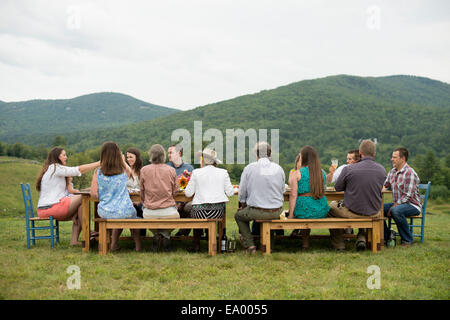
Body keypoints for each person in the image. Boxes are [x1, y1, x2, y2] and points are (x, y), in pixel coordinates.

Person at [328, 140, 386, 251]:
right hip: (374, 212)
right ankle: (361, 238)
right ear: (374, 154)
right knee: (364, 205)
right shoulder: (382, 170)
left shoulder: (348, 169)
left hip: (353, 212)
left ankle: (339, 245)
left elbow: (338, 188)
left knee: (330, 208)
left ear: (360, 153)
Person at [36, 147, 100, 246]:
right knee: (84, 197)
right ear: (57, 157)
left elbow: (68, 193)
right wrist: (99, 163)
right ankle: (88, 232)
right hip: (50, 207)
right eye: (64, 155)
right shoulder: (55, 167)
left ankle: (74, 241)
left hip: (52, 206)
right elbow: (78, 170)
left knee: (81, 207)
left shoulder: (52, 169)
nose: (66, 157)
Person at [235, 142, 285, 254]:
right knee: (269, 216)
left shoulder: (249, 168)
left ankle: (250, 245)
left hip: (257, 211)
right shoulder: (279, 168)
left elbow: (242, 194)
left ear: (256, 154)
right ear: (270, 153)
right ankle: (269, 245)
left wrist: (243, 207)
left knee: (239, 216)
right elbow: (282, 191)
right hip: (277, 212)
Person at [90, 142, 142, 252]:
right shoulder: (123, 171)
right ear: (118, 155)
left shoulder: (98, 172)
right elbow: (130, 172)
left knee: (117, 215)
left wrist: (104, 196)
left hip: (105, 210)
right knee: (133, 217)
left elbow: (93, 194)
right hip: (125, 210)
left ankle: (113, 244)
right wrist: (122, 161)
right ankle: (138, 246)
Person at [184, 148, 234, 252]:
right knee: (204, 210)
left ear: (203, 160)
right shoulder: (223, 172)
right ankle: (217, 242)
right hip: (217, 212)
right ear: (215, 161)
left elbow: (188, 193)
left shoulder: (196, 172)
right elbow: (231, 193)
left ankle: (196, 244)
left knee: (193, 210)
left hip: (199, 212)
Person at [288, 146, 329, 249]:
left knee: (304, 209)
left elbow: (293, 195)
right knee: (307, 208)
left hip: (304, 210)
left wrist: (291, 215)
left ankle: (305, 243)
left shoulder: (297, 173)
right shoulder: (322, 173)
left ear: (304, 158)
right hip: (321, 210)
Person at [140, 144, 179, 251]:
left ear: (151, 155)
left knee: (145, 213)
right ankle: (165, 236)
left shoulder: (144, 170)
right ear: (163, 156)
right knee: (176, 216)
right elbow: (175, 192)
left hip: (150, 213)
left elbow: (141, 193)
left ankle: (157, 235)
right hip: (169, 212)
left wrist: (145, 202)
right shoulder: (171, 170)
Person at [383, 148, 422, 246]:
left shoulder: (410, 173)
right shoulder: (392, 172)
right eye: (392, 157)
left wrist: (393, 206)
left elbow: (407, 196)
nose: (392, 159)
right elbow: (385, 185)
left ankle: (407, 240)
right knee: (377, 209)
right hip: (398, 204)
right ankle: (387, 235)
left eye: (394, 157)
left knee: (396, 211)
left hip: (412, 205)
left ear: (403, 159)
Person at [167, 144, 194, 236]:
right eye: (168, 153)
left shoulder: (189, 168)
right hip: (169, 201)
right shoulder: (166, 168)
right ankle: (164, 235)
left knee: (192, 207)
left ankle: (183, 232)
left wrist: (181, 203)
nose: (169, 155)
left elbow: (193, 188)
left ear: (179, 153)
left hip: (186, 201)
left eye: (171, 153)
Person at [126, 147, 145, 236]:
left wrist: (139, 201)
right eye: (127, 157)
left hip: (140, 200)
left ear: (137, 157)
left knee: (140, 207)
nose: (128, 159)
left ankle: (141, 236)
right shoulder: (125, 171)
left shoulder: (143, 171)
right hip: (128, 200)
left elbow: (146, 189)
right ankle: (135, 236)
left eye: (131, 157)